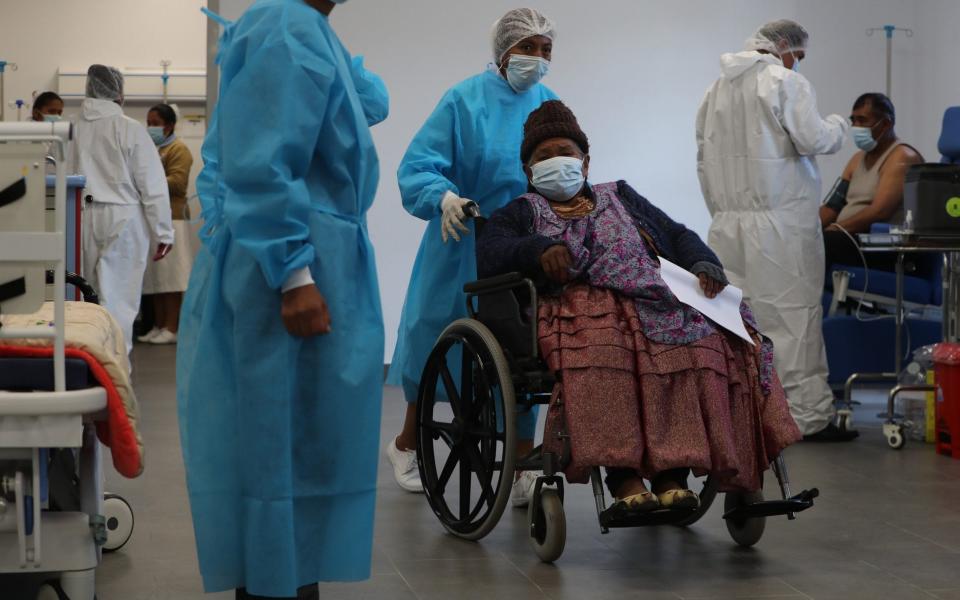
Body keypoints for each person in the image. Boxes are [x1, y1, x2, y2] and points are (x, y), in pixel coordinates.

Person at [478, 100, 802, 508]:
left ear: (586, 162)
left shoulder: (620, 195)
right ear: (528, 170)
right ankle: (624, 479)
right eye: (544, 157)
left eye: (566, 153)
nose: (556, 161)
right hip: (578, 306)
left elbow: (675, 232)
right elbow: (490, 250)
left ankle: (673, 474)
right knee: (602, 358)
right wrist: (537, 249)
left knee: (698, 348)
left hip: (651, 298)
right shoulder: (521, 212)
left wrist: (703, 262)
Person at [176, 0, 389, 597]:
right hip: (292, 264)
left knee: (304, 446)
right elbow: (265, 160)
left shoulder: (306, 29)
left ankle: (289, 581)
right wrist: (294, 275)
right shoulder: (287, 26)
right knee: (278, 445)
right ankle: (274, 587)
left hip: (316, 255)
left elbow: (371, 102)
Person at [386, 8, 558, 504]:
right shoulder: (464, 100)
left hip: (521, 243)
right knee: (435, 341)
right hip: (463, 234)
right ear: (503, 51)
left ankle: (523, 459)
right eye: (528, 47)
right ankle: (407, 445)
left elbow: (567, 161)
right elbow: (419, 164)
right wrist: (443, 197)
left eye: (546, 50)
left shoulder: (549, 105)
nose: (538, 59)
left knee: (519, 352)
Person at [696, 20, 854, 442]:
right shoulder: (784, 83)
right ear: (783, 47)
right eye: (797, 56)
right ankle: (805, 419)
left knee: (739, 322)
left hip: (728, 224)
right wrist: (840, 126)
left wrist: (723, 213)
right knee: (792, 320)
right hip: (781, 225)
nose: (797, 65)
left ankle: (745, 417)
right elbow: (813, 138)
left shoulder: (714, 92)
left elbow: (702, 162)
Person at [69, 64, 173, 355]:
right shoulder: (129, 128)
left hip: (81, 216)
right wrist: (163, 232)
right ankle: (117, 370)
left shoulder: (71, 127)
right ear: (118, 92)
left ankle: (88, 364)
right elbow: (151, 185)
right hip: (124, 219)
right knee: (120, 301)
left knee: (84, 298)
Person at [820, 93, 923, 273]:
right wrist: (806, 229)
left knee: (821, 244)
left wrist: (835, 229)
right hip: (849, 238)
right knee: (801, 240)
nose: (856, 127)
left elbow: (880, 211)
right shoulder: (856, 160)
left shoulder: (902, 158)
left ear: (885, 124)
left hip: (883, 245)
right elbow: (832, 206)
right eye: (854, 120)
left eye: (863, 120)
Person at [138, 103, 195, 345]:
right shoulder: (152, 149)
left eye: (155, 124)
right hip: (152, 219)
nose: (150, 128)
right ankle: (159, 325)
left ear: (169, 125)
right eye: (148, 123)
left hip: (173, 218)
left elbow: (178, 183)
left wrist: (147, 181)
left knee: (172, 277)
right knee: (156, 277)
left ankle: (173, 327)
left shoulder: (178, 149)